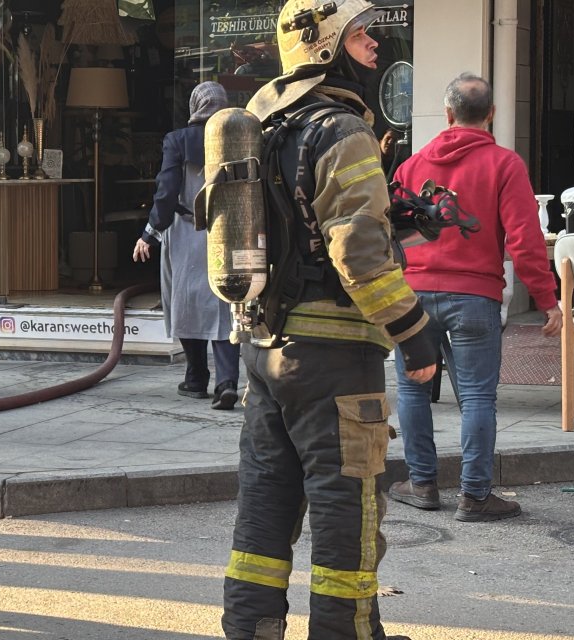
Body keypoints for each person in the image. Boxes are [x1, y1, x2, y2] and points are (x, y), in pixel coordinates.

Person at [220, 2, 436, 638]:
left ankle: (251, 629)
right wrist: (413, 328)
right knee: (348, 516)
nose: (375, 43)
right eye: (361, 33)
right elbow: (354, 249)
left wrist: (392, 217)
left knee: (265, 505)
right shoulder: (342, 129)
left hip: (265, 347)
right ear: (326, 45)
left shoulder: (266, 124)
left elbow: (302, 226)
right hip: (336, 357)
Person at [388, 73, 562, 522]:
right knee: (479, 396)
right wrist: (548, 300)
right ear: (491, 114)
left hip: (413, 294)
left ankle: (422, 483)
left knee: (412, 389)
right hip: (474, 296)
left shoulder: (412, 165)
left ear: (447, 115)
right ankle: (475, 494)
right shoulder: (505, 165)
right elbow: (525, 240)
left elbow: (390, 232)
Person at [132, 81, 240, 410]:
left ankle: (195, 378)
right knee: (224, 304)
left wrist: (149, 233)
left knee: (186, 301)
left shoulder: (177, 140)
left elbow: (166, 193)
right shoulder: (236, 137)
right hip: (226, 229)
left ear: (194, 105)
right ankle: (227, 381)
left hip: (185, 232)